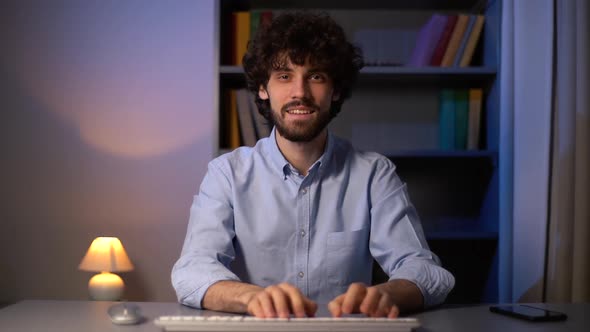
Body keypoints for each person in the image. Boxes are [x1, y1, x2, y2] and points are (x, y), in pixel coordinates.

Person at [172, 11, 454, 319]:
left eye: (316, 76)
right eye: (284, 76)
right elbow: (192, 271)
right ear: (263, 89)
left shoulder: (374, 174)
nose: (300, 93)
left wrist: (385, 294)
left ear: (335, 90)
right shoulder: (226, 174)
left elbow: (427, 272)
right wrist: (252, 298)